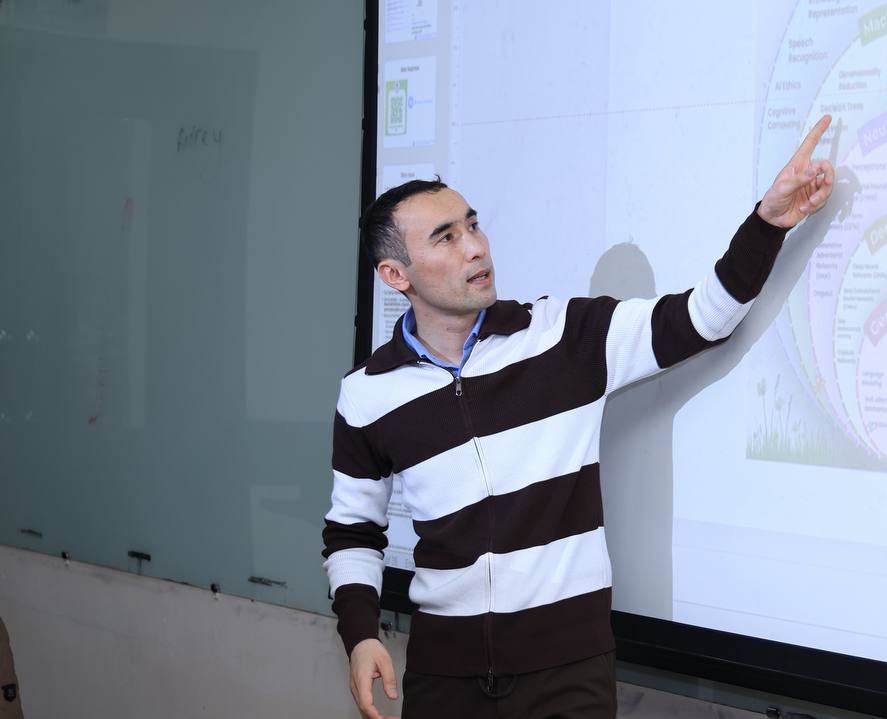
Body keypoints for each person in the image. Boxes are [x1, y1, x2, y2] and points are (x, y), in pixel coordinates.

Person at [322, 116, 836, 719]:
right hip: (444, 678)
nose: (476, 247)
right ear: (394, 275)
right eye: (446, 237)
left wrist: (767, 223)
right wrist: (360, 634)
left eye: (474, 225)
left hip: (568, 674)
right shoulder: (368, 394)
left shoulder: (564, 336)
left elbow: (703, 318)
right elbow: (353, 532)